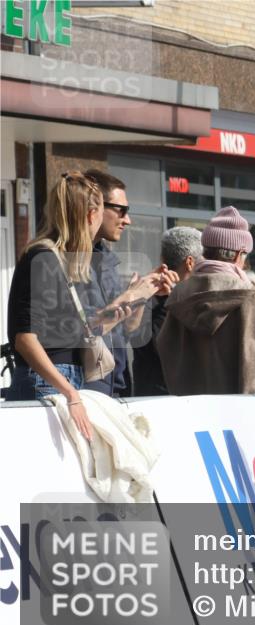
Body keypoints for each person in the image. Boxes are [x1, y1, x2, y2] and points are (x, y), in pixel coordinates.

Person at [5, 172, 135, 440]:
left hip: (62, 381)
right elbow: (25, 339)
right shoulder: (44, 258)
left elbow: (62, 331)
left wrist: (109, 315)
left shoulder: (63, 260)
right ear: (90, 215)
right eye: (101, 212)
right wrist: (71, 394)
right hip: (49, 383)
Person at [156, 207, 255, 395]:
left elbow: (164, 350)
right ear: (238, 254)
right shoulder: (248, 297)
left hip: (191, 407)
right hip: (242, 409)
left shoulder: (178, 295)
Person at [81, 169, 175, 397]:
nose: (127, 220)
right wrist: (130, 296)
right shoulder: (62, 259)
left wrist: (143, 295)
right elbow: (81, 330)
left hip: (116, 388)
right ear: (95, 208)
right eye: (121, 210)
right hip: (85, 392)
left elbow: (126, 329)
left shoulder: (107, 259)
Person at [131, 226, 202, 397]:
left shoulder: (145, 297)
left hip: (151, 399)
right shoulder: (154, 299)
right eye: (204, 262)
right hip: (161, 402)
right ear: (190, 263)